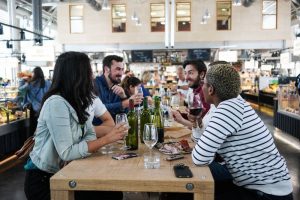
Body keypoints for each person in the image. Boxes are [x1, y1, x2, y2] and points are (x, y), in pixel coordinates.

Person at [24, 52, 127, 200]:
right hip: (45, 180)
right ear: (77, 74)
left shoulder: (78, 100)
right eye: (88, 71)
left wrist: (85, 144)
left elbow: (89, 133)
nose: (92, 76)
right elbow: (67, 153)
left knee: (113, 193)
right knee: (109, 195)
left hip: (65, 171)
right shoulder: (56, 103)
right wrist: (107, 139)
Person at [192, 62, 293, 200]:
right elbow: (202, 150)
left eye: (204, 83)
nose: (201, 87)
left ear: (211, 89)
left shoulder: (227, 110)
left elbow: (199, 158)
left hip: (266, 193)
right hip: (262, 187)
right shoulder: (235, 104)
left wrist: (204, 151)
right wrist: (197, 123)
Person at [93, 55, 142, 123]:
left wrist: (123, 97)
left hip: (115, 129)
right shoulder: (94, 84)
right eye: (118, 69)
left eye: (122, 69)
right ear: (107, 69)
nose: (121, 73)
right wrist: (124, 103)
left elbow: (126, 115)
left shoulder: (118, 88)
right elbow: (97, 109)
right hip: (99, 131)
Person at [19, 66, 51, 136]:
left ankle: (33, 144)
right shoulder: (48, 83)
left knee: (34, 129)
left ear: (34, 74)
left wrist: (22, 80)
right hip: (46, 109)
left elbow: (20, 90)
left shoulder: (30, 84)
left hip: (35, 111)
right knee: (44, 129)